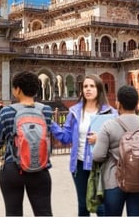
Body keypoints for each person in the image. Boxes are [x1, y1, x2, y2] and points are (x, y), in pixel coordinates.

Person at [0, 71, 53, 216]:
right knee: (44, 212)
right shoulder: (46, 110)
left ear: (18, 90)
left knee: (13, 213)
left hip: (13, 168)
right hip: (40, 168)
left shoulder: (7, 112)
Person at [50, 74, 118, 216]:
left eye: (92, 86)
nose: (88, 89)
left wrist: (101, 138)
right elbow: (66, 137)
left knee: (101, 206)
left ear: (99, 89)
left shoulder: (110, 113)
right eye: (85, 86)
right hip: (79, 164)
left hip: (102, 164)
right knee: (83, 205)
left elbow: (119, 138)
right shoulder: (75, 112)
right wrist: (51, 124)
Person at [93, 85, 139, 216]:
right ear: (137, 104)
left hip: (114, 180)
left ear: (118, 103)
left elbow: (97, 156)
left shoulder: (108, 126)